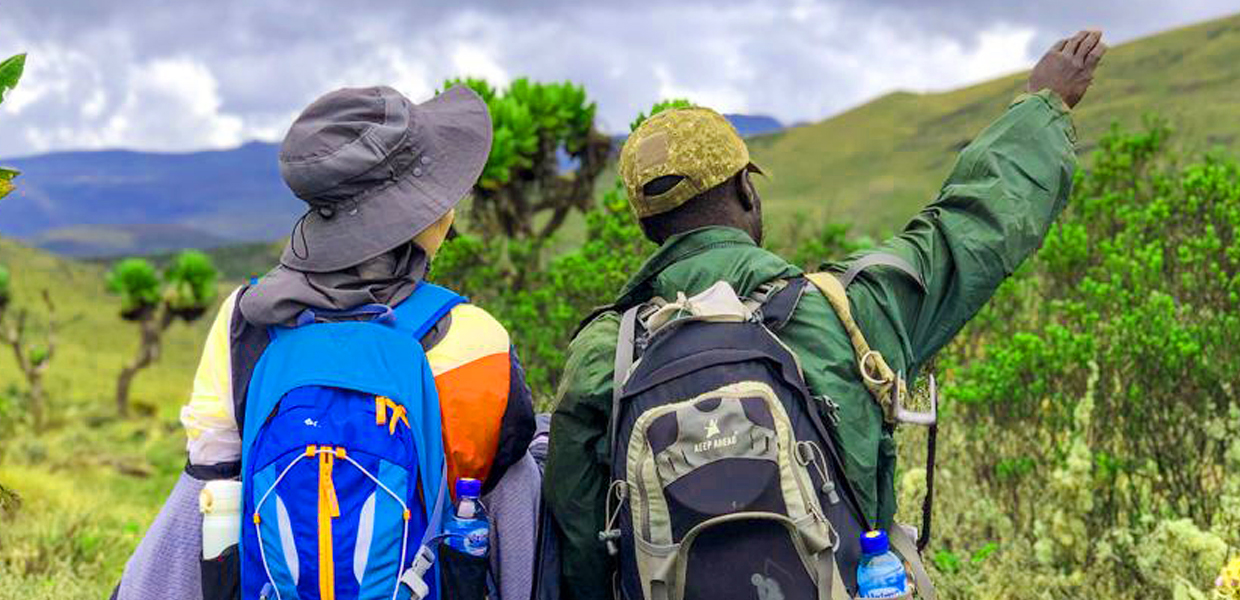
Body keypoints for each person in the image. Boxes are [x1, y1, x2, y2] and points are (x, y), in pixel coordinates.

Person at [544, 30, 1107, 600]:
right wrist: (1043, 104)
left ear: (646, 227)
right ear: (746, 190)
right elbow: (973, 228)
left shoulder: (604, 354)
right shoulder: (847, 309)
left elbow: (580, 544)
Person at [115, 85, 539, 600]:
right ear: (421, 214)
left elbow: (206, 480)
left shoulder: (244, 321)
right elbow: (497, 487)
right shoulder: (474, 335)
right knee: (521, 471)